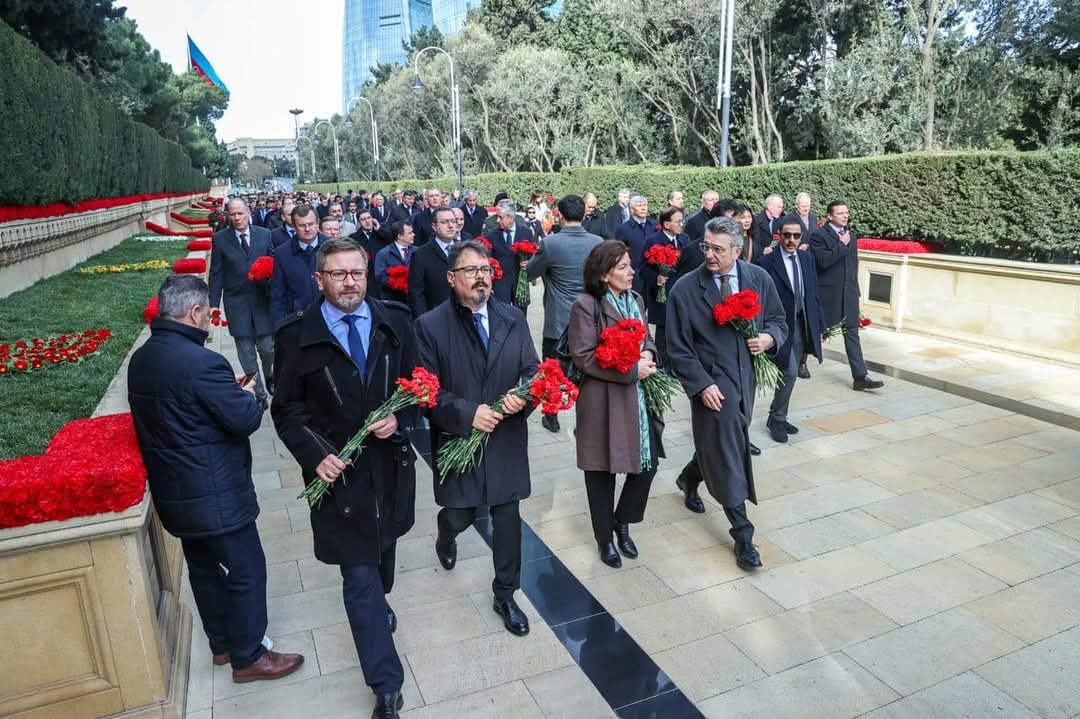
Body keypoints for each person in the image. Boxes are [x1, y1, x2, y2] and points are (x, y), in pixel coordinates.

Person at [129, 274, 305, 684]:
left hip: (175, 493)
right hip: (214, 492)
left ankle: (222, 645)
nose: (211, 319)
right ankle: (249, 655)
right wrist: (246, 394)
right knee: (247, 569)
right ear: (194, 312)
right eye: (208, 313)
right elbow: (243, 419)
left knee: (204, 569)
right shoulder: (203, 362)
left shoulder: (144, 357)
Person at [272, 239, 416, 719]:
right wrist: (316, 456)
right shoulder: (295, 335)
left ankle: (381, 602)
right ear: (320, 280)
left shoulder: (395, 320)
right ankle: (386, 686)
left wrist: (401, 420)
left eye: (356, 272)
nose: (349, 281)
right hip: (340, 480)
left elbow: (418, 385)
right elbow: (287, 409)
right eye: (338, 274)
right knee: (358, 578)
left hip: (390, 471)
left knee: (384, 557)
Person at [416, 240, 539, 637]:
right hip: (459, 439)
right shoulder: (430, 326)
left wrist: (524, 396)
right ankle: (446, 531)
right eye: (471, 270)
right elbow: (426, 392)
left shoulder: (512, 317)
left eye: (485, 269)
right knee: (461, 513)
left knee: (507, 519)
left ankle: (505, 594)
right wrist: (469, 414)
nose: (481, 277)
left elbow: (532, 370)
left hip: (505, 437)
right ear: (451, 279)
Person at [666, 217, 786, 571]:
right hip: (711, 386)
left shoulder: (759, 279)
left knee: (723, 442)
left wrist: (768, 339)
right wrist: (701, 385)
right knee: (729, 451)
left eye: (718, 249)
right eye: (706, 246)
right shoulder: (684, 290)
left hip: (745, 380)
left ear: (738, 249)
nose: (709, 255)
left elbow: (778, 321)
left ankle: (690, 477)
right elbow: (677, 348)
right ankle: (743, 533)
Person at [569, 240, 664, 568]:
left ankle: (622, 520)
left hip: (639, 399)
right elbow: (583, 356)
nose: (631, 271)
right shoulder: (586, 305)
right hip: (602, 401)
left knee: (648, 465)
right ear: (605, 274)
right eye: (623, 266)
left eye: (629, 265)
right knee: (601, 472)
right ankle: (604, 538)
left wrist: (649, 353)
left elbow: (646, 337)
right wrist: (629, 370)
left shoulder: (636, 299)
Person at [526, 195, 603, 433]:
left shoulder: (550, 243)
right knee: (590, 370)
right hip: (591, 318)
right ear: (583, 215)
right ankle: (588, 420)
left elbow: (530, 273)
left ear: (559, 214)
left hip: (559, 319)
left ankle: (551, 414)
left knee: (553, 370)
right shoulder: (597, 242)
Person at [757, 219, 825, 441]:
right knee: (790, 371)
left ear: (801, 237)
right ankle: (776, 418)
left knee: (791, 375)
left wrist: (819, 326)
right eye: (787, 235)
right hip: (777, 327)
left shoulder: (806, 258)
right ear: (779, 235)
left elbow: (813, 294)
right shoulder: (766, 262)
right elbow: (759, 298)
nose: (791, 240)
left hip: (800, 324)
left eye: (796, 236)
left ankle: (779, 415)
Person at [810, 201, 885, 392]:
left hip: (849, 294)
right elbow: (823, 262)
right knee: (815, 333)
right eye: (840, 213)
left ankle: (860, 377)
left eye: (846, 212)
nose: (845, 216)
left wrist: (855, 291)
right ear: (829, 216)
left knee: (852, 333)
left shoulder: (851, 235)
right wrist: (841, 245)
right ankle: (798, 363)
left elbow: (853, 265)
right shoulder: (818, 236)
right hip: (828, 295)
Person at [209, 198, 275, 406]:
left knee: (268, 349)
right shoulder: (220, 239)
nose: (237, 218)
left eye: (240, 213)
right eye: (233, 214)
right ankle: (260, 395)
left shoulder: (265, 235)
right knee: (246, 354)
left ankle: (271, 379)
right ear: (228, 215)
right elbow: (216, 273)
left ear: (248, 212)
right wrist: (213, 304)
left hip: (262, 302)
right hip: (236, 304)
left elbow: (275, 266)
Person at [640, 206, 690, 361]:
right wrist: (656, 278)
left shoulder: (684, 239)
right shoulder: (653, 241)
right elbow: (642, 269)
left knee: (680, 326)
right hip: (662, 292)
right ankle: (663, 363)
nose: (682, 224)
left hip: (680, 290)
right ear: (667, 224)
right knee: (663, 328)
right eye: (678, 221)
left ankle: (678, 361)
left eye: (682, 221)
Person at [270, 204, 323, 327]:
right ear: (294, 226)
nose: (307, 229)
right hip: (297, 320)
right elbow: (278, 294)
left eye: (311, 224)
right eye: (302, 225)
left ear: (318, 223)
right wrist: (278, 327)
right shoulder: (282, 253)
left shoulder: (331, 247)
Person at [408, 209, 458, 316]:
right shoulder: (421, 255)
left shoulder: (465, 250)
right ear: (434, 226)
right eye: (444, 222)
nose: (450, 226)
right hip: (436, 317)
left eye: (453, 221)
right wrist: (423, 321)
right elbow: (416, 293)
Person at [486, 203, 535, 312]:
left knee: (521, 316)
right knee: (502, 317)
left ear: (511, 218)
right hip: (500, 286)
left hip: (520, 284)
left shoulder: (526, 233)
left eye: (500, 217)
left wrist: (529, 263)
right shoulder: (492, 236)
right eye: (496, 217)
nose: (497, 221)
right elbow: (488, 260)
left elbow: (534, 254)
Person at [614, 195, 655, 294]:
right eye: (639, 205)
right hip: (635, 275)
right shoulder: (623, 229)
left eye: (645, 205)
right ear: (631, 210)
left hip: (654, 274)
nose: (643, 208)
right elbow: (619, 253)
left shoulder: (654, 226)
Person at [373, 221, 414, 304]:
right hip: (393, 300)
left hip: (413, 299)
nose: (413, 235)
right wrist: (398, 282)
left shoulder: (417, 251)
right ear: (400, 236)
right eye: (410, 233)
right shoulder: (383, 254)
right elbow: (380, 276)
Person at [751, 194, 784, 261]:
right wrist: (763, 250)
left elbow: (776, 238)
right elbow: (752, 243)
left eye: (782, 207)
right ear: (769, 207)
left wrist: (772, 248)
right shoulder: (755, 221)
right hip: (759, 260)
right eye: (779, 207)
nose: (781, 210)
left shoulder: (780, 221)